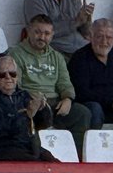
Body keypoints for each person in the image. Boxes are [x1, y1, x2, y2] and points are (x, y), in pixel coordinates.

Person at [6, 15, 90, 151]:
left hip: (54, 103)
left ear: (52, 35)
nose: (42, 37)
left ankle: (76, 158)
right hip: (30, 102)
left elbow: (65, 83)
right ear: (28, 31)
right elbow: (15, 86)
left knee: (83, 113)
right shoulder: (16, 54)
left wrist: (67, 99)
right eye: (37, 32)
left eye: (46, 33)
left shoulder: (57, 57)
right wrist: (32, 98)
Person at [0, 55, 53, 160]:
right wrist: (27, 114)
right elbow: (0, 130)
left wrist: (42, 107)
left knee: (57, 166)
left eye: (12, 74)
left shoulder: (24, 95)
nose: (8, 77)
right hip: (2, 149)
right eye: (2, 75)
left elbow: (44, 124)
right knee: (36, 166)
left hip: (29, 146)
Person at [23, 0, 93, 57]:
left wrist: (87, 19)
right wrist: (75, 22)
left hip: (81, 49)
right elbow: (41, 33)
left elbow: (86, 33)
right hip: (56, 53)